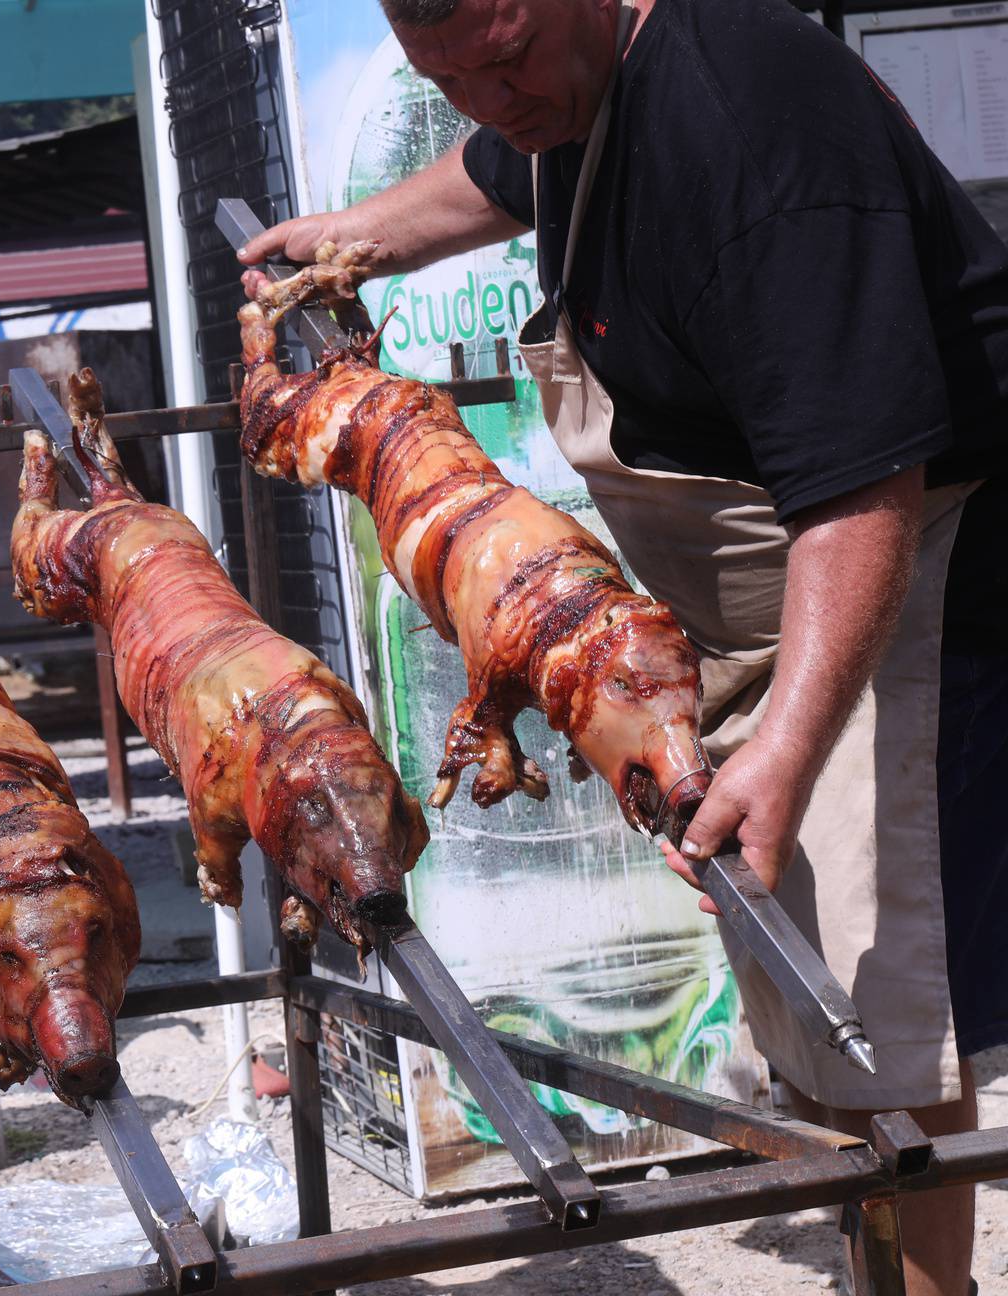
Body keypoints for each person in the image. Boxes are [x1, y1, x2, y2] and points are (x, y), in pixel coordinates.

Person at [238, 1, 1006, 1291]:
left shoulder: (754, 136)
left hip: (899, 595)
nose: (493, 99)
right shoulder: (565, 93)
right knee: (802, 984)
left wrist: (792, 746)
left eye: (509, 57)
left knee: (881, 1016)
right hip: (760, 596)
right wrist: (357, 241)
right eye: (450, 78)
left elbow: (864, 495)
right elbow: (494, 168)